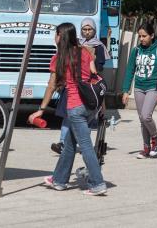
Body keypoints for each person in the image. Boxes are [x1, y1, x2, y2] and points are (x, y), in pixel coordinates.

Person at [29, 22, 106, 195]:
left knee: (85, 145)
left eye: (55, 34)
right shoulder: (85, 52)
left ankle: (97, 183)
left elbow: (51, 86)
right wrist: (102, 105)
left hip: (75, 106)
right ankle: (59, 180)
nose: (54, 37)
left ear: (60, 37)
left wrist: (41, 109)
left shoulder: (58, 59)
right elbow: (95, 76)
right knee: (70, 144)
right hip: (90, 105)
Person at [51, 18, 108, 155]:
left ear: (94, 31)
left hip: (88, 87)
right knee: (67, 116)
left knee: (82, 120)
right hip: (71, 86)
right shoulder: (76, 45)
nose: (87, 32)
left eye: (90, 30)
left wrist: (89, 60)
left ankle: (82, 145)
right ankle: (63, 143)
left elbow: (98, 67)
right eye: (84, 29)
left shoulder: (98, 46)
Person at [120, 22, 157, 158]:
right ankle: (146, 148)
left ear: (152, 35)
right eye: (140, 36)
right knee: (142, 120)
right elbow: (130, 71)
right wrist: (126, 90)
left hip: (154, 88)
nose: (141, 39)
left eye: (144, 36)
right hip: (139, 88)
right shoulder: (136, 50)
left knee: (146, 116)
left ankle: (156, 138)